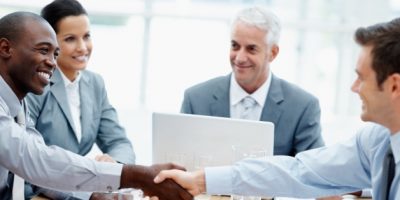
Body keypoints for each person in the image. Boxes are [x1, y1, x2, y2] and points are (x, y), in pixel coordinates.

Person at [154, 15, 400, 200]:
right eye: (234, 45)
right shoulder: (375, 141)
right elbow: (299, 171)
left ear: (394, 86)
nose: (354, 87)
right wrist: (202, 180)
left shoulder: (304, 104)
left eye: (361, 77)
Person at [0, 11, 192, 200]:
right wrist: (137, 176)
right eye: (43, 50)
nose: (52, 63)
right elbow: (37, 159)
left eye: (55, 54)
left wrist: (99, 189)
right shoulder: (30, 92)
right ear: (5, 48)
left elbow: (118, 141)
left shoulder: (19, 104)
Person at [24, 0, 135, 198]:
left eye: (87, 36)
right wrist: (88, 194)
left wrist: (113, 166)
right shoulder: (36, 84)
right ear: (50, 43)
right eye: (70, 39)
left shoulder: (95, 83)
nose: (82, 47)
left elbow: (119, 142)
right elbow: (31, 163)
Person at [180, 7, 324, 156]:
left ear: (272, 53)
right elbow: (180, 164)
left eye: (251, 49)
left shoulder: (302, 107)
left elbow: (311, 171)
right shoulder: (196, 100)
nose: (240, 58)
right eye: (235, 46)